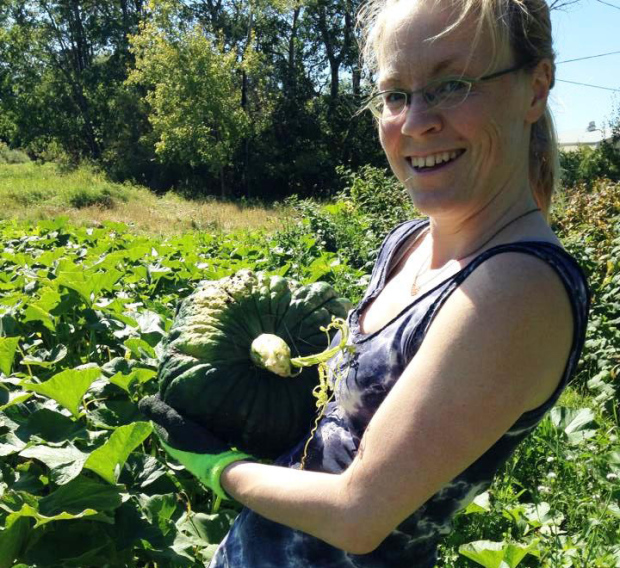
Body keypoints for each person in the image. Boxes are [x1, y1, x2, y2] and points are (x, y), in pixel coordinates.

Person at [139, 0, 591, 566]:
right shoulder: (407, 243)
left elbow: (359, 514)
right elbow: (343, 426)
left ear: (535, 87)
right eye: (395, 95)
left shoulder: (517, 292)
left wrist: (217, 467)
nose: (416, 120)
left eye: (452, 85)